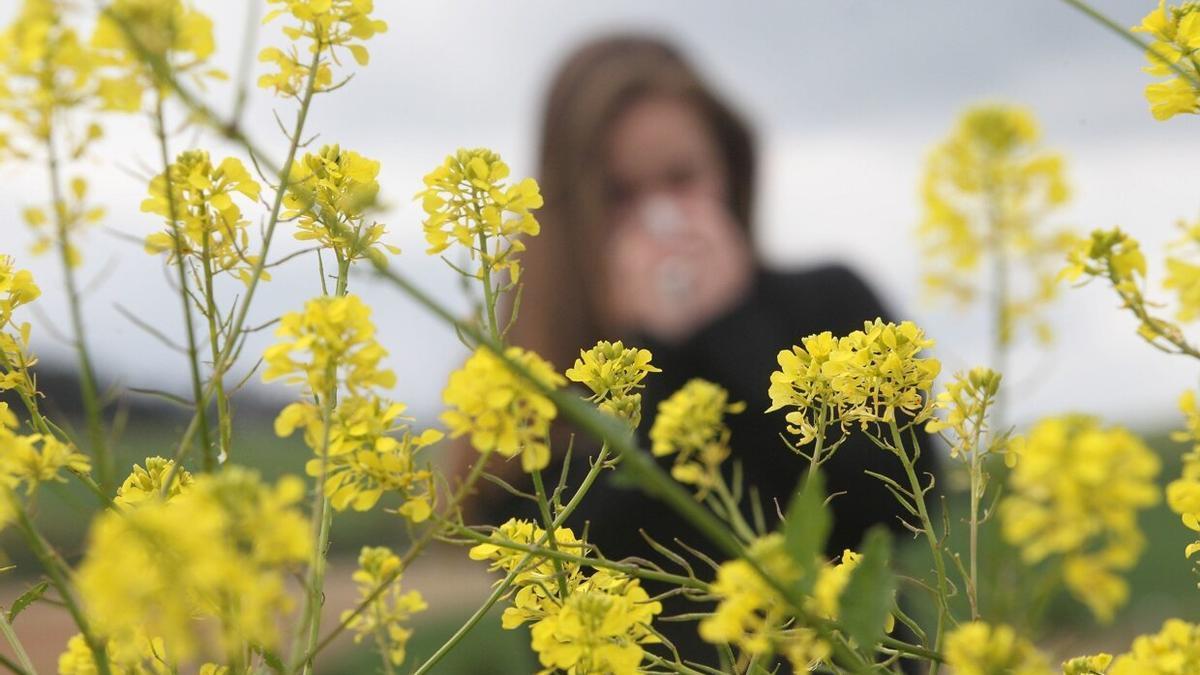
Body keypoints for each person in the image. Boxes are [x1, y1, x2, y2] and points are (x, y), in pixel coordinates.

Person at [490, 34, 938, 668]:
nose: (662, 218)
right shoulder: (536, 371)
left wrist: (730, 327)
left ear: (729, 170)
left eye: (681, 179)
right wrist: (652, 354)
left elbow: (904, 505)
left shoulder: (827, 304)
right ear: (572, 207)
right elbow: (575, 559)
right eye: (621, 194)